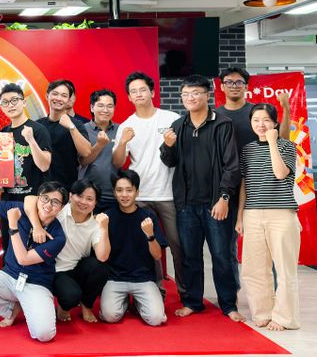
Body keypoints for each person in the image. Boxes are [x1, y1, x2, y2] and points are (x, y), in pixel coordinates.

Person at [159, 75, 244, 322]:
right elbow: (169, 162)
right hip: (187, 204)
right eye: (186, 94)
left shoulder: (222, 124)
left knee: (222, 256)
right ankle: (192, 302)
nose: (190, 98)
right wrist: (167, 146)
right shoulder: (178, 125)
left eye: (195, 93)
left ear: (207, 95)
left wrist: (224, 197)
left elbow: (232, 166)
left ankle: (229, 304)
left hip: (216, 203)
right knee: (190, 257)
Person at [0, 166, 67, 342]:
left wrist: (12, 226)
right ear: (38, 198)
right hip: (8, 277)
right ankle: (10, 308)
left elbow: (23, 259)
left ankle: (27, 304)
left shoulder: (58, 237)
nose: (48, 205)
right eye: (45, 198)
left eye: (55, 202)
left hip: (36, 284)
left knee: (44, 334)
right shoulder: (20, 209)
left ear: (61, 208)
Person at [217, 66, 291, 288]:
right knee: (226, 247)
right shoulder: (216, 116)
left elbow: (282, 139)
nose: (234, 86)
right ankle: (233, 293)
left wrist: (286, 108)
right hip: (226, 188)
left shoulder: (257, 114)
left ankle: (276, 293)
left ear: (246, 87)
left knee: (268, 247)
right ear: (222, 86)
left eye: (239, 82)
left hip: (259, 188)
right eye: (229, 82)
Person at [113, 72, 184, 294]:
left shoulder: (171, 118)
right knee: (146, 245)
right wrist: (122, 142)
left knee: (178, 246)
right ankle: (155, 290)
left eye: (142, 89)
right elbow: (117, 163)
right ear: (129, 97)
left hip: (168, 193)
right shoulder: (126, 125)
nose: (138, 94)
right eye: (133, 91)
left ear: (152, 92)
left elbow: (182, 154)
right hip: (140, 196)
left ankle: (186, 293)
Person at [236, 104, 300, 331]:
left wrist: (272, 142)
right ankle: (263, 312)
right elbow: (244, 184)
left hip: (281, 213)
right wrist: (240, 216)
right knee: (253, 268)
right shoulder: (247, 150)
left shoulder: (287, 146)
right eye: (256, 120)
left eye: (266, 120)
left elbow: (280, 173)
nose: (261, 125)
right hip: (252, 213)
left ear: (275, 123)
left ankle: (284, 318)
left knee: (284, 269)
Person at [24, 179, 110, 323]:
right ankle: (64, 306)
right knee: (71, 296)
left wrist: (104, 228)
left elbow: (102, 256)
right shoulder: (59, 209)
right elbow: (29, 199)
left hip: (76, 268)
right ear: (70, 196)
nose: (83, 202)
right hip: (54, 270)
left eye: (89, 199)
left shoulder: (96, 223)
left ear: (95, 203)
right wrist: (37, 227)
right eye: (79, 196)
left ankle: (87, 305)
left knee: (100, 268)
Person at [100, 170, 167, 327]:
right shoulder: (107, 217)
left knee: (156, 319)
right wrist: (103, 229)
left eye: (129, 190)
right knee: (110, 316)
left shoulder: (148, 216)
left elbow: (157, 255)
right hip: (115, 278)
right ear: (114, 193)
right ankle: (124, 302)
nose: (124, 195)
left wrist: (150, 235)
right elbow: (101, 255)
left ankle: (137, 303)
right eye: (119, 190)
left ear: (137, 192)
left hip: (144, 278)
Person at [0, 83, 53, 253]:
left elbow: (44, 165)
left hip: (34, 203)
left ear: (23, 102)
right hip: (9, 202)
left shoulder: (38, 130)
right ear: (2, 107)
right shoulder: (2, 133)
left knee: (32, 249)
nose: (10, 105)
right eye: (5, 102)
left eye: (14, 100)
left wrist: (31, 140)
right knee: (9, 249)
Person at [36, 80, 91, 189]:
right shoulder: (38, 125)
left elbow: (86, 152)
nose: (58, 98)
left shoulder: (76, 124)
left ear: (69, 100)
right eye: (55, 94)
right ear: (47, 96)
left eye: (64, 95)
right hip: (40, 188)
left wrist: (71, 127)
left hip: (66, 188)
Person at [79, 90, 121, 214]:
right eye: (101, 105)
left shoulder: (120, 130)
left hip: (114, 195)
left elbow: (121, 162)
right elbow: (82, 161)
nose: (105, 110)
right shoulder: (82, 130)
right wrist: (99, 145)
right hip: (87, 195)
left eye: (110, 106)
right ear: (92, 107)